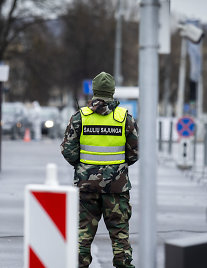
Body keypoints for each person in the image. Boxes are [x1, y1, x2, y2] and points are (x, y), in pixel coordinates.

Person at [60, 72, 138, 268]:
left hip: (86, 188)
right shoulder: (124, 119)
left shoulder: (80, 118)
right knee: (120, 238)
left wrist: (84, 168)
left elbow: (67, 150)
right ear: (112, 92)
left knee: (82, 237)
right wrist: (117, 168)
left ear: (94, 91)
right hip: (117, 190)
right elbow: (134, 153)